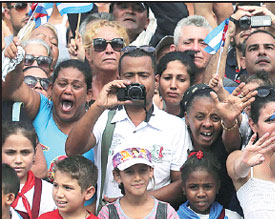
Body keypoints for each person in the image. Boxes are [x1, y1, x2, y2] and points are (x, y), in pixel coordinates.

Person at [65, 46, 191, 209]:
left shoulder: (174, 126)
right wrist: (99, 105)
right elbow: (72, 150)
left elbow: (181, 184)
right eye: (129, 76)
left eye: (144, 75)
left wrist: (134, 200)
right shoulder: (104, 117)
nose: (136, 82)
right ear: (119, 79)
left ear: (156, 81)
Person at [3, 39, 95, 181]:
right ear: (50, 89)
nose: (68, 90)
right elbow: (13, 90)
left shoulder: (98, 124)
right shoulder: (41, 108)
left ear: (89, 95)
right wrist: (16, 65)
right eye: (62, 84)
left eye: (76, 86)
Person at [226, 88, 275, 219]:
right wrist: (244, 163)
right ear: (253, 125)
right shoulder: (238, 156)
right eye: (270, 120)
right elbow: (237, 169)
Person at [182, 83, 254, 212]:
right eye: (200, 117)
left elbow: (233, 147)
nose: (208, 124)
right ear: (187, 118)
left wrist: (229, 120)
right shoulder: (177, 140)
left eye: (215, 118)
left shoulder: (226, 140)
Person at [98, 145, 182, 219]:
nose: (137, 178)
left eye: (142, 170)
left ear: (151, 171)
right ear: (117, 176)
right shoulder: (108, 213)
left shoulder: (165, 211)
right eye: (129, 172)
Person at [1, 121, 55, 219]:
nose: (18, 160)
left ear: (35, 154)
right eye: (10, 152)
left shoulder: (48, 193)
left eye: (25, 152)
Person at [177, 150, 242, 219]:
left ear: (217, 186)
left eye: (207, 187)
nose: (201, 194)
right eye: (193, 187)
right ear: (183, 188)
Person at [82, 19, 129, 101]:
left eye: (116, 44)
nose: (109, 50)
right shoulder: (81, 88)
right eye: (100, 45)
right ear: (88, 54)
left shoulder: (132, 87)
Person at [170, 16, 214, 84]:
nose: (195, 48)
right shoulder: (160, 86)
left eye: (203, 44)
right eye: (187, 43)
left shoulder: (225, 88)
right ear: (173, 50)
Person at [155, 51, 195, 117]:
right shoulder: (145, 115)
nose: (173, 86)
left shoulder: (195, 119)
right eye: (167, 78)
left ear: (191, 83)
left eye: (181, 80)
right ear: (157, 80)